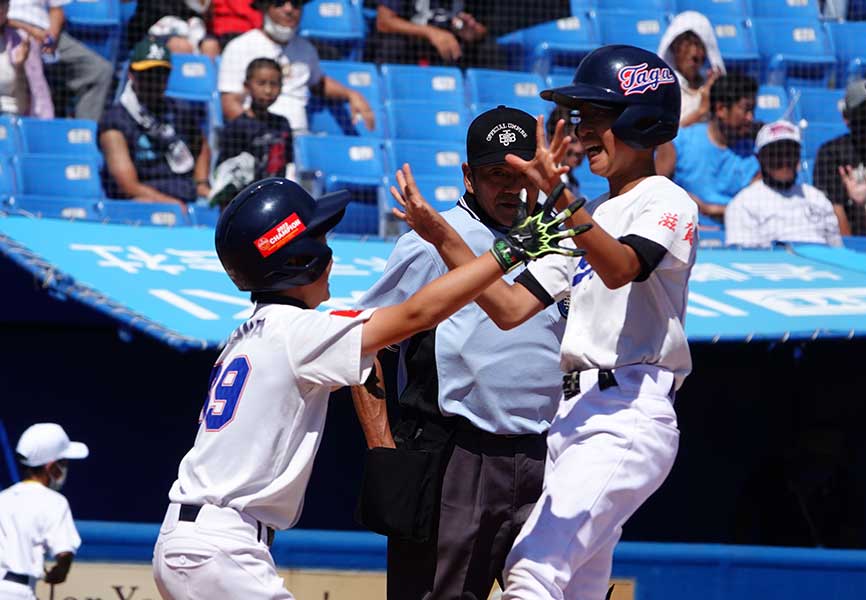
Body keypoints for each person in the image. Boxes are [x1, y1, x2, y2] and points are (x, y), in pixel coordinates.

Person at [150, 178, 588, 600]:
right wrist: (506, 252)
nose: (330, 252)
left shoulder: (251, 332)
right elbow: (417, 314)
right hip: (221, 545)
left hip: (199, 539)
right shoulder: (297, 332)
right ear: (297, 258)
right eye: (320, 240)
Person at [390, 44, 697, 598]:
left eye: (596, 119)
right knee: (577, 584)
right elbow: (508, 308)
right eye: (580, 120)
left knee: (532, 568)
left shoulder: (665, 199)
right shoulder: (586, 217)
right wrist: (444, 237)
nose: (580, 134)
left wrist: (558, 193)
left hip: (627, 408)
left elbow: (622, 267)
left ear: (641, 119)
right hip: (571, 418)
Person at [351, 106, 567, 600]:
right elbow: (360, 344)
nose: (511, 188)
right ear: (468, 176)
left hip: (547, 455)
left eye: (521, 174)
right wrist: (385, 451)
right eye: (496, 175)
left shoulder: (559, 237)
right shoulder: (429, 243)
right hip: (457, 460)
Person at [218, 0, 374, 134]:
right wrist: (259, 135)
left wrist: (351, 94)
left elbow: (318, 83)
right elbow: (230, 105)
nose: (289, 9)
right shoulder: (240, 47)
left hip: (297, 140)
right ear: (265, 6)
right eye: (279, 2)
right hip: (256, 138)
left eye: (296, 3)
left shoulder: (306, 49)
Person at [99, 37, 212, 207]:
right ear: (131, 74)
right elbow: (128, 186)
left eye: (160, 75)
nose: (154, 81)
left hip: (186, 193)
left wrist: (201, 183)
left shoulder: (180, 110)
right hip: (146, 203)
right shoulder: (115, 122)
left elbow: (201, 145)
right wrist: (170, 205)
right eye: (147, 75)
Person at [0, 423, 88, 599]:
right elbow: (64, 553)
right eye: (63, 463)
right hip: (18, 592)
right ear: (51, 467)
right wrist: (59, 571)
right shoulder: (55, 502)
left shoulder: (3, 498)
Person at [656, 72, 760, 222]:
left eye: (752, 110)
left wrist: (709, 209)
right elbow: (655, 189)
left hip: (736, 236)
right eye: (745, 109)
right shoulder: (679, 142)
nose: (750, 118)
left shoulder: (753, 155)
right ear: (721, 109)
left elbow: (758, 207)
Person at [726, 120, 842, 248]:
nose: (785, 161)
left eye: (790, 153)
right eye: (777, 154)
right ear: (760, 158)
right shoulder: (743, 204)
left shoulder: (817, 198)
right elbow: (744, 259)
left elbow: (837, 250)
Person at [813, 78, 866, 244]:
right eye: (862, 115)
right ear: (847, 117)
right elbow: (835, 212)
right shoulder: (831, 154)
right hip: (855, 247)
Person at [8, 0, 112, 121]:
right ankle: (39, 121)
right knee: (29, 60)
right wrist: (31, 31)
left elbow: (56, 10)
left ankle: (82, 133)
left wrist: (51, 36)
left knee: (100, 70)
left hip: (46, 35)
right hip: (12, 30)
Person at [212, 57, 293, 207]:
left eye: (274, 84)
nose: (268, 90)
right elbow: (225, 173)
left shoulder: (282, 124)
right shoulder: (237, 127)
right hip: (244, 203)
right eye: (261, 83)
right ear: (247, 86)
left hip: (275, 200)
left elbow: (289, 163)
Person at [367, 0, 503, 69]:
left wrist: (473, 32)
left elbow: (483, 28)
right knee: (393, 44)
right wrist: (431, 33)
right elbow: (384, 21)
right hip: (411, 42)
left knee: (489, 49)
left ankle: (492, 112)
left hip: (452, 46)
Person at [656, 10, 725, 127]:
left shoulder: (708, 85)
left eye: (699, 46)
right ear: (674, 49)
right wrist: (701, 111)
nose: (694, 54)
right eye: (687, 46)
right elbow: (666, 135)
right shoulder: (664, 88)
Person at [0, 0, 52, 118]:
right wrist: (31, 29)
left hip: (10, 118)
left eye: (3, 3)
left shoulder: (19, 42)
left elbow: (23, 106)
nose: (0, 8)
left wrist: (20, 68)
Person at [126, 0, 221, 57]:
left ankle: (205, 88)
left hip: (191, 26)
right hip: (152, 27)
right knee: (180, 46)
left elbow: (203, 7)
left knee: (210, 46)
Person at [547, 105, 585, 197]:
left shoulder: (573, 184)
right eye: (572, 141)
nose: (579, 149)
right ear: (552, 139)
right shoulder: (541, 185)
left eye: (584, 140)